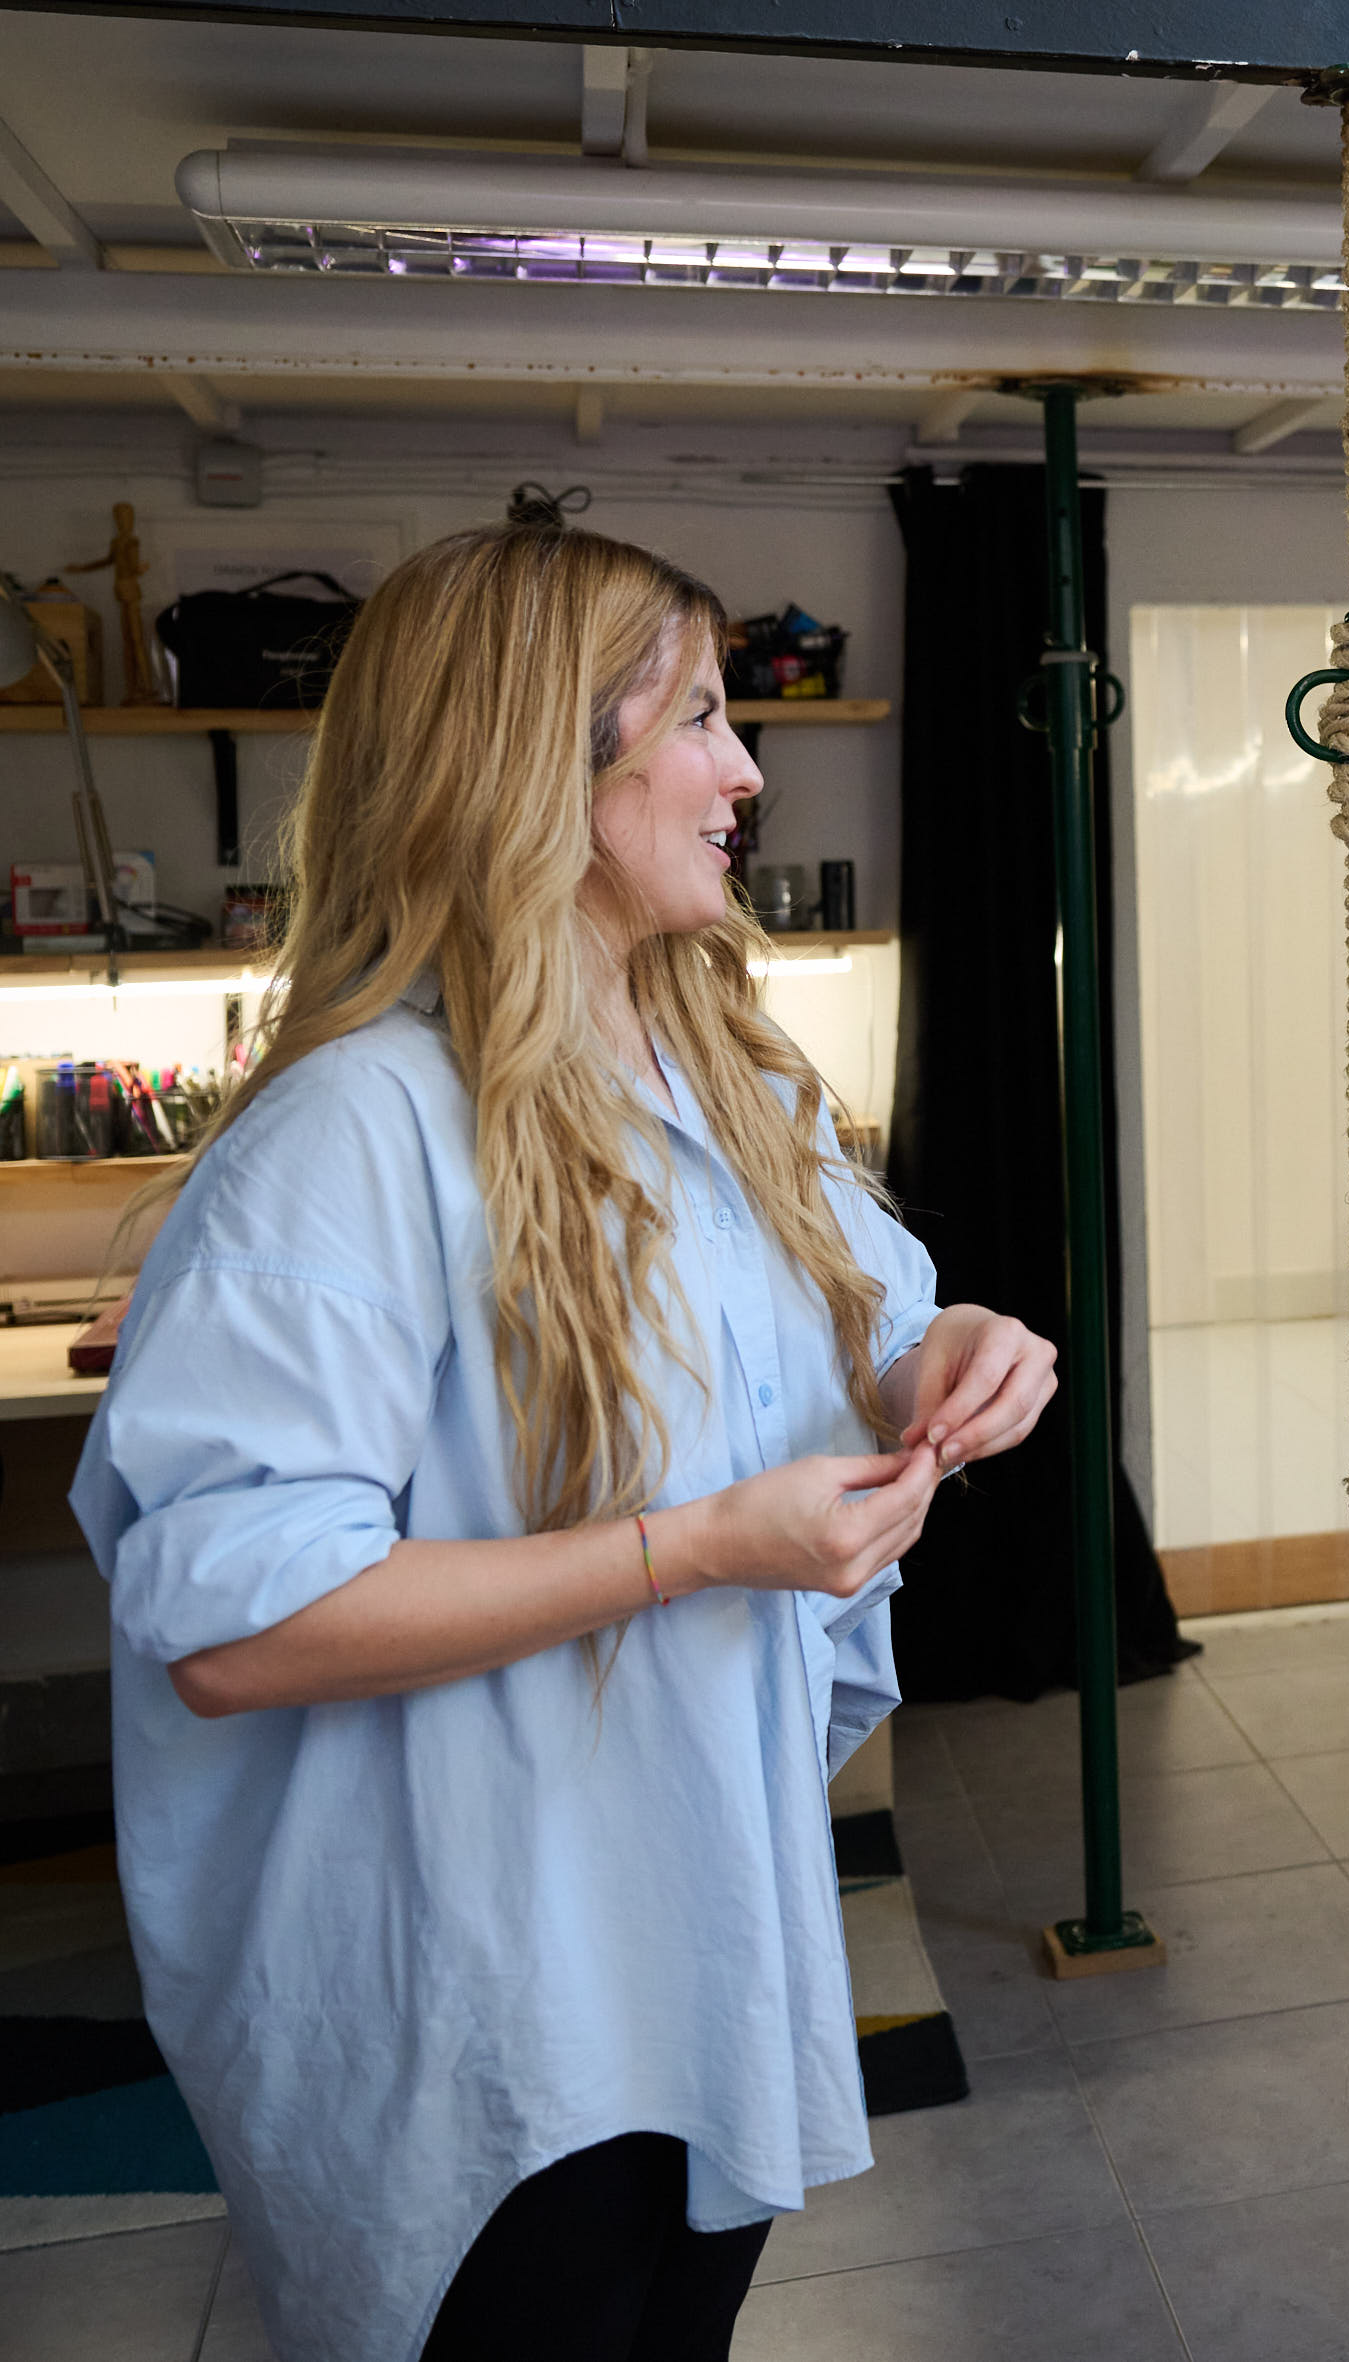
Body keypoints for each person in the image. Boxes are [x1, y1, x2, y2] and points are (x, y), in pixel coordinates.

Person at [76, 521, 1061, 2362]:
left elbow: (871, 1322)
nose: (746, 769)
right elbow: (233, 1625)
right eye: (696, 717)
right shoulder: (357, 1131)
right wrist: (693, 1547)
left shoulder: (727, 1071)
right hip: (493, 1995)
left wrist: (956, 1353)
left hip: (693, 1942)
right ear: (542, 759)